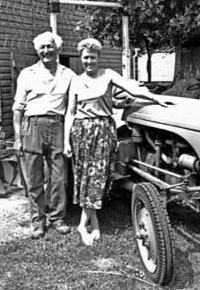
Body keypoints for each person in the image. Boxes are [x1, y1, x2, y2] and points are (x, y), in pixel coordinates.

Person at [64, 38, 167, 246]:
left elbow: (132, 89)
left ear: (98, 58)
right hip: (82, 132)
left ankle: (86, 222)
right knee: (85, 177)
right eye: (85, 57)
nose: (89, 61)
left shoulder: (108, 75)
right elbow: (70, 113)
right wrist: (67, 141)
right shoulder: (75, 81)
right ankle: (88, 223)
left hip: (103, 131)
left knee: (99, 177)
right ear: (81, 59)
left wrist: (156, 99)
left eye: (92, 57)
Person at [12, 31, 77, 239]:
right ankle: (38, 221)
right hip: (32, 125)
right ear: (37, 51)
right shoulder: (27, 74)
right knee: (34, 177)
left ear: (57, 49)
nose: (46, 51)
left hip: (57, 126)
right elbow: (18, 109)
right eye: (42, 48)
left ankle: (57, 218)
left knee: (59, 177)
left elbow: (76, 104)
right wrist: (18, 137)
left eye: (50, 46)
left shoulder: (68, 75)